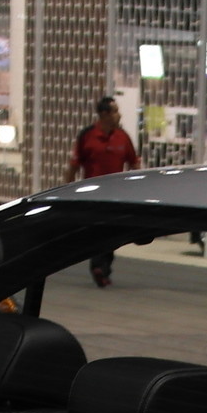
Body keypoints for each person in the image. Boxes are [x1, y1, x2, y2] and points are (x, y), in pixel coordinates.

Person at [66, 96, 139, 287]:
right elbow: (74, 165)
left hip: (117, 195)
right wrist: (67, 190)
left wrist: (137, 186)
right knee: (98, 231)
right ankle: (100, 267)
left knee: (111, 233)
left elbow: (134, 162)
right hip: (92, 194)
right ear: (104, 114)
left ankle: (101, 267)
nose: (118, 115)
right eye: (115, 111)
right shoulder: (87, 136)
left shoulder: (122, 136)